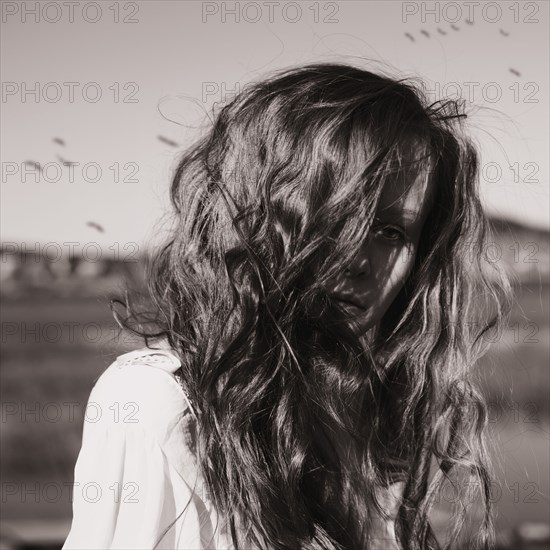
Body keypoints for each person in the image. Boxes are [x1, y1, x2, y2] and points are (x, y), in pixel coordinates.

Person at [62, 62, 510, 550]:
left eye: (391, 231)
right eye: (336, 215)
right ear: (257, 213)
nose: (360, 258)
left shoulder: (371, 413)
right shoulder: (158, 401)